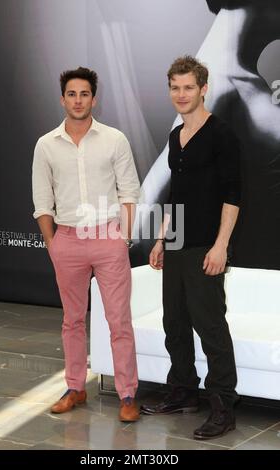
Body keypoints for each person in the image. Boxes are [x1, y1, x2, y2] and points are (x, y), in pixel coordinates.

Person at [140, 56, 241, 440]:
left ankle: (222, 406)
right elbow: (177, 194)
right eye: (174, 88)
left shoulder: (222, 134)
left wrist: (220, 247)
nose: (181, 94)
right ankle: (182, 391)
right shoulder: (175, 136)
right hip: (179, 241)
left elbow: (233, 196)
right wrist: (162, 238)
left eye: (188, 87)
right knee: (175, 323)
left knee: (210, 327)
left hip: (206, 245)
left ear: (203, 89)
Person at [32, 66, 140, 422]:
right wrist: (53, 244)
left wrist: (122, 238)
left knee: (118, 320)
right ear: (62, 99)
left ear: (94, 98)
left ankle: (127, 394)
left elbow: (130, 192)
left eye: (85, 94)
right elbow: (42, 201)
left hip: (108, 237)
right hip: (67, 240)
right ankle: (75, 388)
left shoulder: (114, 139)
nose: (78, 100)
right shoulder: (46, 145)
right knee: (72, 321)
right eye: (72, 94)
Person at [137, 0, 280, 269]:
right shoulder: (224, 85)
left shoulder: (226, 79)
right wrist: (146, 257)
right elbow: (160, 190)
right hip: (211, 258)